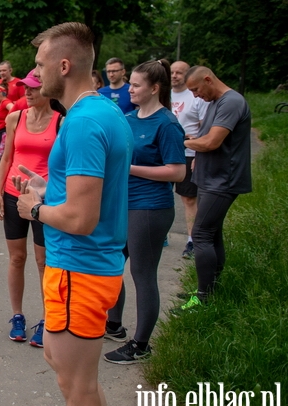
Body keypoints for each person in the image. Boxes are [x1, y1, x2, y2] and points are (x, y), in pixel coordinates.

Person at [13, 22, 132, 406]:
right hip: (85, 267)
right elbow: (91, 193)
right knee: (74, 378)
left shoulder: (81, 122)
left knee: (75, 388)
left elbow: (82, 219)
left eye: (40, 63)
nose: (36, 72)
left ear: (64, 66)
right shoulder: (103, 110)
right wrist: (51, 188)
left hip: (79, 270)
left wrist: (37, 207)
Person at [103, 60, 185, 364]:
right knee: (112, 265)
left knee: (142, 274)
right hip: (124, 205)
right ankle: (114, 325)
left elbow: (177, 172)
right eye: (131, 84)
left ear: (154, 88)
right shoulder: (128, 118)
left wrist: (130, 168)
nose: (130, 89)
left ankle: (141, 344)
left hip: (150, 208)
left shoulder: (166, 124)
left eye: (136, 85)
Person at [0, 70, 61, 348]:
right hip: (12, 194)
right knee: (17, 258)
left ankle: (48, 319)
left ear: (48, 91)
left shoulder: (61, 122)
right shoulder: (14, 118)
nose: (27, 93)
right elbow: (6, 157)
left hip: (44, 199)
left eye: (33, 88)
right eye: (25, 89)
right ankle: (17, 316)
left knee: (44, 262)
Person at [180, 66, 252, 309]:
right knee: (212, 233)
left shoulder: (231, 102)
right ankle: (210, 288)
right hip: (210, 177)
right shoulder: (214, 102)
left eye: (196, 89)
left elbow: (212, 141)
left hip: (223, 180)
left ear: (208, 79)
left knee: (200, 234)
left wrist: (184, 142)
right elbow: (207, 137)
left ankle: (203, 298)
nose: (196, 96)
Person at [169, 60, 208, 259]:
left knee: (188, 198)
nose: (175, 75)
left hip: (188, 153)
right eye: (172, 72)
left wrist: (199, 151)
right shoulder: (163, 94)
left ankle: (192, 241)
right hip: (164, 152)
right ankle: (159, 234)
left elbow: (204, 127)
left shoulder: (196, 96)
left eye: (179, 72)